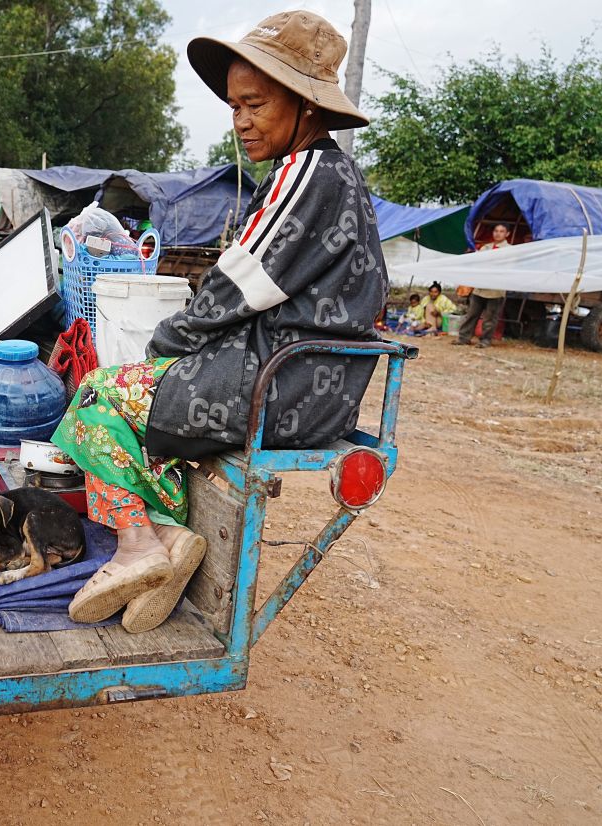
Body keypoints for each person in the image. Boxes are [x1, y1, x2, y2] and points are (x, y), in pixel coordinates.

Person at [50, 10, 387, 633]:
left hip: (285, 384)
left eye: (254, 104)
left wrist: (163, 345)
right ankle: (159, 542)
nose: (241, 121)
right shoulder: (324, 173)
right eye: (235, 106)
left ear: (305, 106)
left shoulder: (310, 170)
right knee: (119, 401)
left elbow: (235, 286)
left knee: (98, 390)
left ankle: (143, 543)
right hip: (298, 378)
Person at [455, 224, 510, 347]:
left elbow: (506, 267)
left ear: (507, 234)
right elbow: (478, 263)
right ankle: (464, 338)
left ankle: (485, 340)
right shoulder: (486, 247)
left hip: (496, 290)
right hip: (479, 288)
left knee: (490, 318)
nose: (498, 233)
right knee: (472, 314)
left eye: (501, 231)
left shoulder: (510, 250)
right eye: (496, 230)